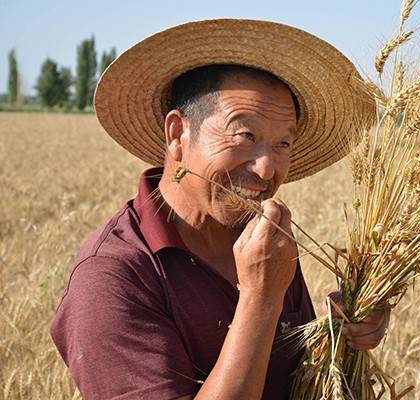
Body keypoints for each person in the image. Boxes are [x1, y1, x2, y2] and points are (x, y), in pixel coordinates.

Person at [50, 19, 384, 400]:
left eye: (283, 144)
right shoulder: (112, 277)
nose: (266, 169)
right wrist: (261, 297)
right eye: (246, 135)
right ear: (177, 134)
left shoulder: (262, 240)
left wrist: (338, 331)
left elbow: (290, 377)